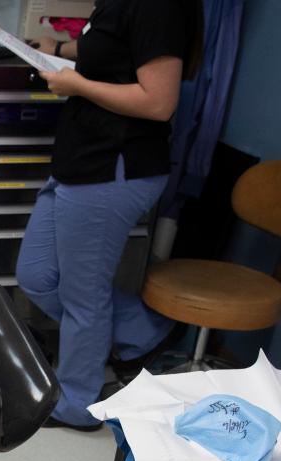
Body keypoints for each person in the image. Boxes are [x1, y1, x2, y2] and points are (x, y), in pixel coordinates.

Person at [17, 0, 204, 430]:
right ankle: (143, 333)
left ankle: (77, 404)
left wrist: (77, 86)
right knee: (38, 275)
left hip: (113, 166)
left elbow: (159, 102)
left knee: (85, 296)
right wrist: (59, 48)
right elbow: (113, 52)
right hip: (81, 157)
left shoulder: (160, 7)